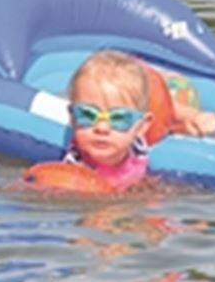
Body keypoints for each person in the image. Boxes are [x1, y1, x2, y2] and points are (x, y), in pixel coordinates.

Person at [64, 50, 155, 192]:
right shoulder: (73, 168)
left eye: (119, 118)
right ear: (72, 118)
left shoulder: (139, 149)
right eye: (87, 114)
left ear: (141, 126)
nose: (102, 128)